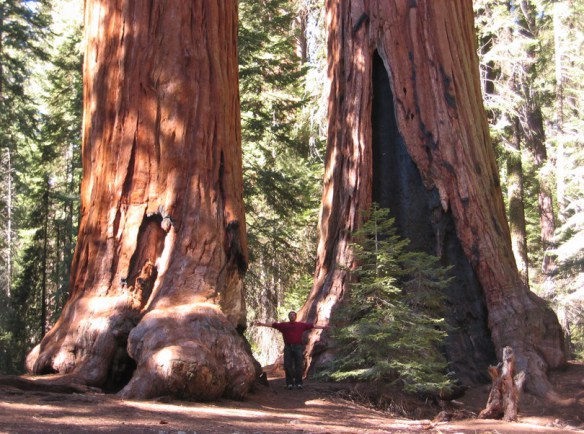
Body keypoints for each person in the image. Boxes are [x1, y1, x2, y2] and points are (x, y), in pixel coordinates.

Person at [255, 311, 326, 390]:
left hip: (298, 347)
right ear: (289, 317)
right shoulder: (284, 325)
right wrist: (261, 324)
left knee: (299, 365)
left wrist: (323, 327)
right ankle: (289, 383)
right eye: (290, 315)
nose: (292, 316)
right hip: (288, 347)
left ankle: (299, 383)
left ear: (295, 317)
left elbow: (312, 325)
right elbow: (273, 325)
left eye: (293, 315)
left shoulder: (301, 325)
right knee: (287, 365)